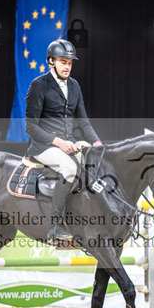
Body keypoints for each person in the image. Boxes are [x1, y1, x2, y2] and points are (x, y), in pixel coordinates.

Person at [24, 39, 102, 244]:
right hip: (43, 146)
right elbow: (30, 127)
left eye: (69, 63)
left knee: (96, 166)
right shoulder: (39, 85)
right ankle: (54, 227)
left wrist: (97, 143)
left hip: (69, 144)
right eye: (62, 62)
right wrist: (58, 142)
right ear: (51, 61)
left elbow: (83, 122)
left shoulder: (74, 86)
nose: (67, 66)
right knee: (70, 168)